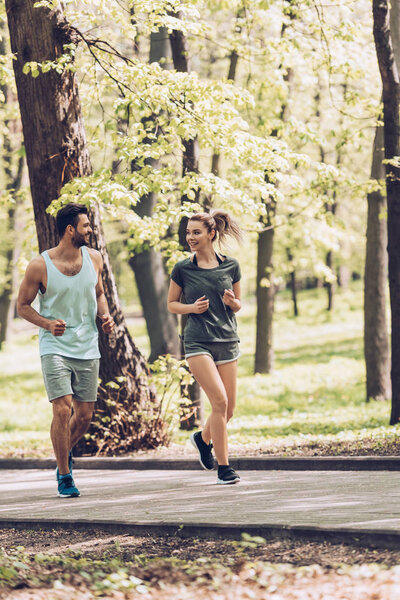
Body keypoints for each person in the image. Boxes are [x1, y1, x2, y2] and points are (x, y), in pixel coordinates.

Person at [17, 203, 114, 498]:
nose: (91, 231)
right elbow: (22, 306)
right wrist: (47, 324)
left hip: (87, 345)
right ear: (70, 229)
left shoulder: (94, 258)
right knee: (62, 409)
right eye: (86, 226)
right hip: (55, 345)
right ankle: (64, 474)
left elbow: (99, 293)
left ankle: (64, 453)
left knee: (84, 415)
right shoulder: (40, 265)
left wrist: (105, 315)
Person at [167, 210, 242, 484]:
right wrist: (191, 308)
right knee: (219, 402)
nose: (190, 237)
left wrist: (233, 302)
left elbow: (239, 304)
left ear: (211, 234)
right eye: (188, 233)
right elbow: (171, 304)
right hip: (197, 341)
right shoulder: (182, 268)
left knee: (229, 408)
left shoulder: (231, 266)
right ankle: (224, 468)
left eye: (196, 232)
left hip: (227, 341)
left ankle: (202, 438)